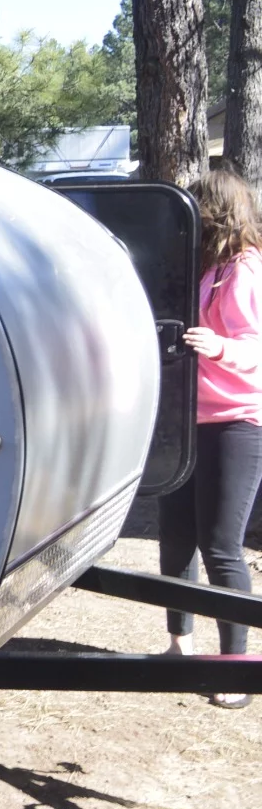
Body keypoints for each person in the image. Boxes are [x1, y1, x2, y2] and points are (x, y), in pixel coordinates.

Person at [160, 160, 262, 709]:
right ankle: (180, 645)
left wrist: (219, 347)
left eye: (198, 205)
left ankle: (237, 667)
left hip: (236, 423)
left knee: (221, 546)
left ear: (217, 212)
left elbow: (256, 350)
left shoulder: (246, 269)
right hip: (188, 422)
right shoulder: (203, 269)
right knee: (175, 537)